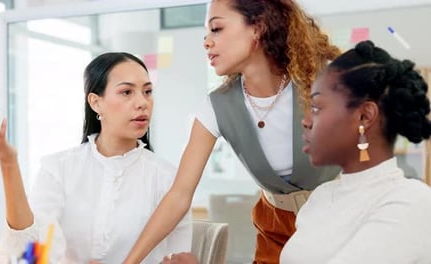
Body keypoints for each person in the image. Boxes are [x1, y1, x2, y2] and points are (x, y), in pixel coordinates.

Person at [124, 0, 341, 263]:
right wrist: (129, 262)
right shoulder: (217, 106)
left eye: (216, 29)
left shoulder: (327, 84)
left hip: (340, 222)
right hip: (276, 232)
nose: (207, 42)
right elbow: (179, 195)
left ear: (257, 28)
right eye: (206, 34)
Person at [0, 52, 192, 263]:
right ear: (96, 102)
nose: (142, 102)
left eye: (147, 91)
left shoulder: (168, 179)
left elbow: (177, 255)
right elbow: (29, 249)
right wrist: (8, 161)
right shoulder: (58, 169)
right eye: (127, 92)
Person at [280, 40, 431, 263]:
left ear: (364, 116)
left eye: (317, 108)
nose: (306, 121)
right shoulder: (320, 198)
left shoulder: (412, 203)